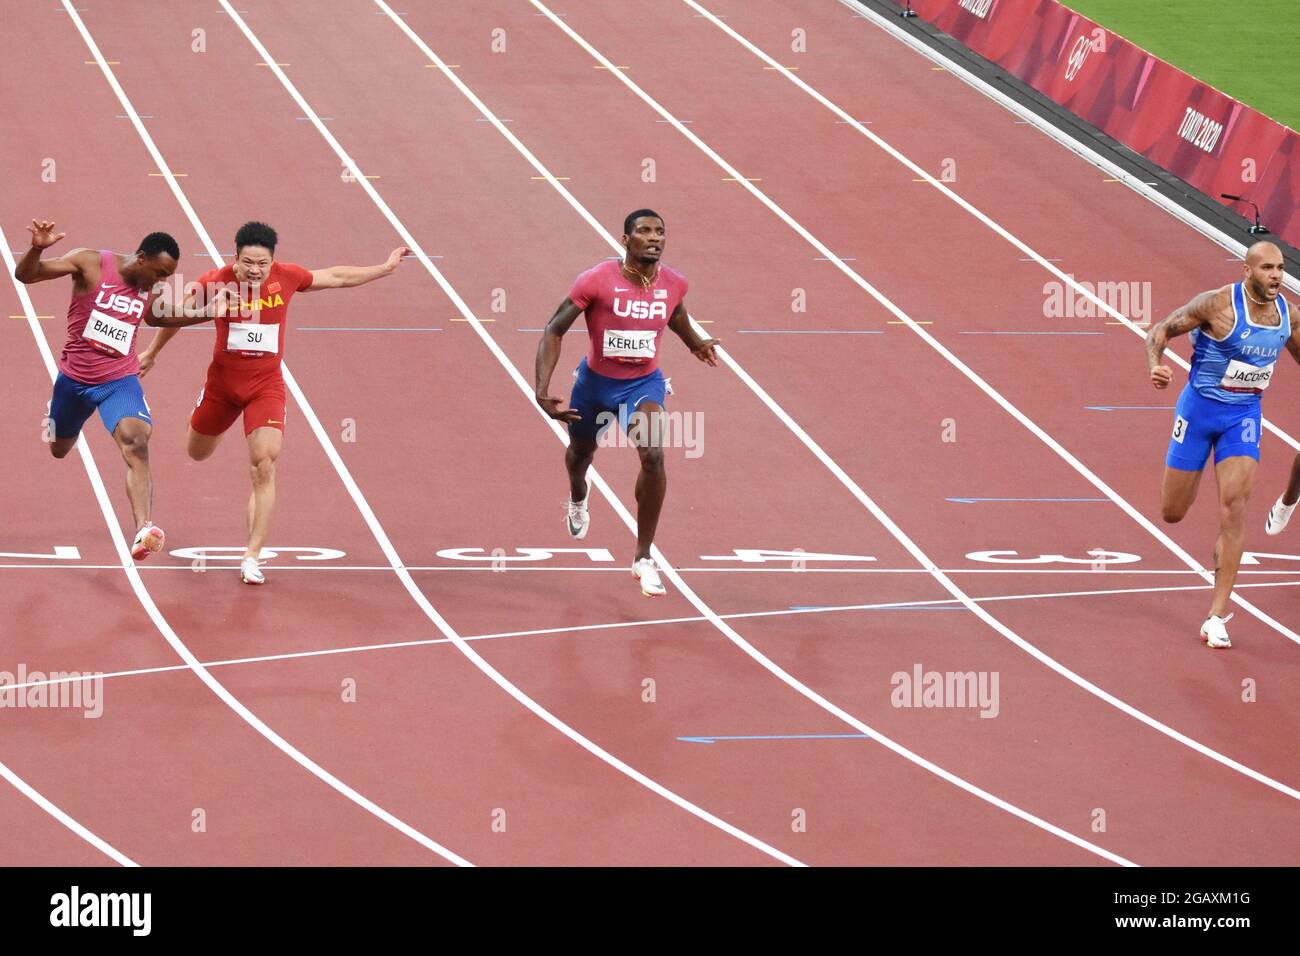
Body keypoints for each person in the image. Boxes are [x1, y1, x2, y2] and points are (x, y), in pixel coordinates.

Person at [139, 221, 407, 585]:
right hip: (221, 387)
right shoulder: (214, 281)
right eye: (248, 262)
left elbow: (336, 276)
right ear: (235, 257)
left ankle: (252, 556)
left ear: (272, 262)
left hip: (265, 386)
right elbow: (175, 316)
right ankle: (203, 409)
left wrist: (384, 268)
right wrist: (153, 352)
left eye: (262, 264)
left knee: (264, 463)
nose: (255, 270)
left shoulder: (287, 278)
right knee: (196, 452)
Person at [534, 209, 719, 596]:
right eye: (644, 231)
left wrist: (695, 343)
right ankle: (578, 494)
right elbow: (554, 328)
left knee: (653, 454)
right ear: (625, 240)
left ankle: (643, 556)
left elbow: (676, 315)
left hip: (643, 386)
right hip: (594, 386)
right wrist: (541, 389)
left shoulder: (674, 283)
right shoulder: (597, 279)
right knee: (580, 454)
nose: (654, 238)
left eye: (660, 232)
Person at [14, 219, 214, 559]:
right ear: (141, 258)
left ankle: (143, 529)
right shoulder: (91, 262)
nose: (162, 281)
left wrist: (209, 313)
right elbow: (26, 276)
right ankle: (58, 415)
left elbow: (157, 317)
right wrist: (37, 248)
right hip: (74, 381)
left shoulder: (149, 285)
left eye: (167, 275)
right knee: (59, 449)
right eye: (160, 272)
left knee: (137, 443)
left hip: (117, 381)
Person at [1146, 240, 1291, 648]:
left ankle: (1217, 614)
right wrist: (1156, 366)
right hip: (1197, 413)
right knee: (1172, 512)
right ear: (1247, 271)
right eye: (1267, 268)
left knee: (1235, 507)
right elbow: (1159, 331)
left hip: (1243, 418)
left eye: (1280, 267)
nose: (1276, 275)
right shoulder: (1215, 306)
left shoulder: (1288, 318)